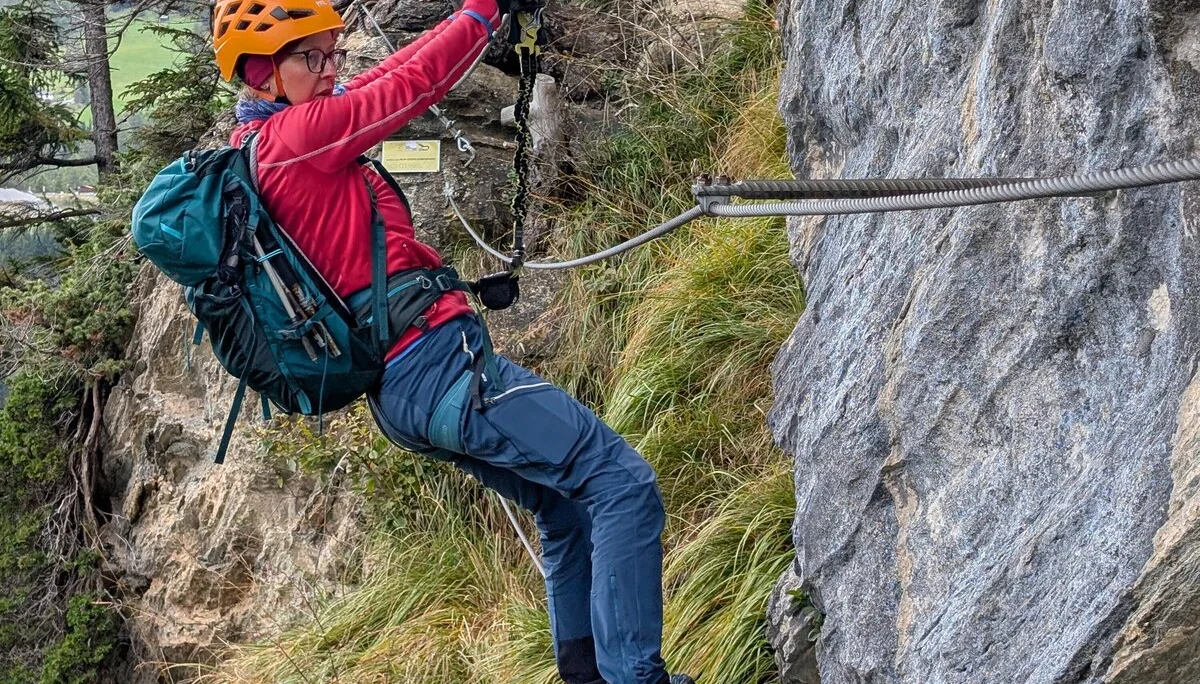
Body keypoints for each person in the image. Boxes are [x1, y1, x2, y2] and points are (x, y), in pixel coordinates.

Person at [211, 1, 696, 683]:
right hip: (437, 368)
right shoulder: (300, 139)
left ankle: (587, 674)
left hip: (407, 392)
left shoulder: (261, 146)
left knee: (562, 510)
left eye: (332, 52)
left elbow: (391, 75)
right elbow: (411, 87)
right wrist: (482, 13)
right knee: (621, 485)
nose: (330, 70)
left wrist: (474, 14)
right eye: (310, 58)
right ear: (262, 73)